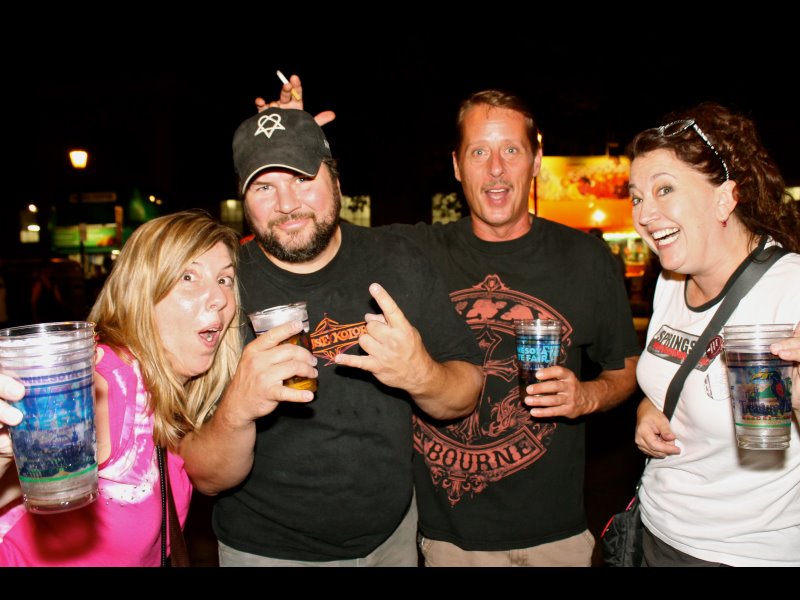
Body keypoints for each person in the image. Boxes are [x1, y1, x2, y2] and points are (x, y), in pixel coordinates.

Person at [266, 80, 640, 566]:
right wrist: (294, 144)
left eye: (511, 150)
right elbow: (319, 229)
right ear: (457, 166)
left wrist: (587, 395)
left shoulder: (587, 258)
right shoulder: (411, 253)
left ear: (536, 161)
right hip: (448, 540)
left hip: (555, 536)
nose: (496, 167)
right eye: (479, 152)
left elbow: (625, 369)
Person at [178, 108, 483, 566]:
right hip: (265, 553)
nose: (286, 204)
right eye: (264, 187)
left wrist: (422, 375)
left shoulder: (398, 261)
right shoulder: (222, 287)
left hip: (392, 544)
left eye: (302, 179)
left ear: (336, 181)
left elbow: (466, 393)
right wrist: (237, 409)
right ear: (243, 199)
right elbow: (205, 477)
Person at [0, 210, 313, 566]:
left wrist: (240, 409)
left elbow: (216, 478)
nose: (219, 298)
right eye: (188, 276)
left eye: (225, 279)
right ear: (141, 293)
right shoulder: (102, 381)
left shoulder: (169, 389)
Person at [629, 102, 800, 567]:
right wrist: (648, 410)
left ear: (725, 198)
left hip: (745, 551)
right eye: (637, 197)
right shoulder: (671, 281)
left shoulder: (790, 288)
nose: (644, 214)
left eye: (665, 189)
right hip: (656, 528)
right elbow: (671, 383)